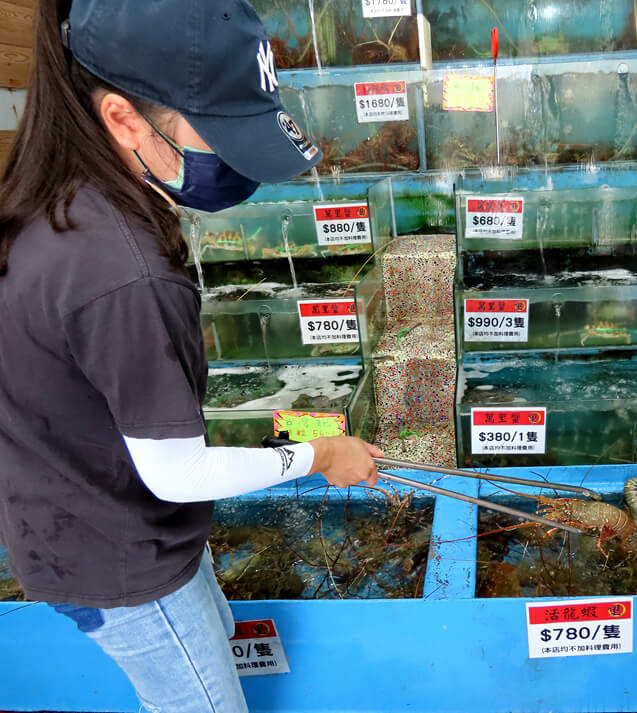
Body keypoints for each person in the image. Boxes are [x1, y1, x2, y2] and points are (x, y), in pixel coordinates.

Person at [0, 1, 383, 711]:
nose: (234, 164)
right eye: (219, 134)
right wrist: (322, 454)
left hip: (92, 517)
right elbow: (178, 472)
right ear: (123, 119)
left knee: (220, 634)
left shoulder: (65, 201)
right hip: (117, 562)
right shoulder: (120, 272)